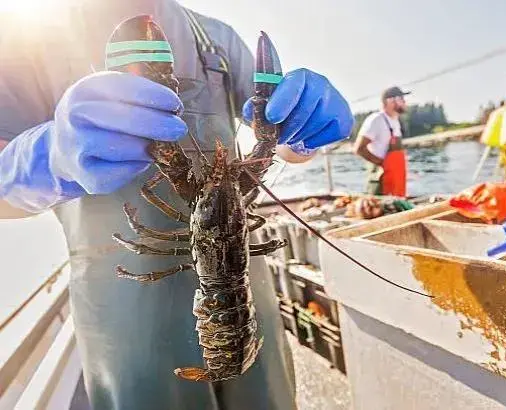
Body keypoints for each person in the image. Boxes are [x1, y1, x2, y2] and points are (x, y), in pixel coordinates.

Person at [0, 1, 353, 409]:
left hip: (246, 297)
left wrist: (303, 132)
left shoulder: (214, 37)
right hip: (125, 309)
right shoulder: (27, 38)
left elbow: (282, 139)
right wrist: (47, 156)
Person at [353, 86, 410, 197]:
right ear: (389, 101)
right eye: (401, 98)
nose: (404, 101)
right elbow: (358, 149)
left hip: (396, 179)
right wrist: (382, 164)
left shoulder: (395, 120)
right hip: (381, 180)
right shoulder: (376, 119)